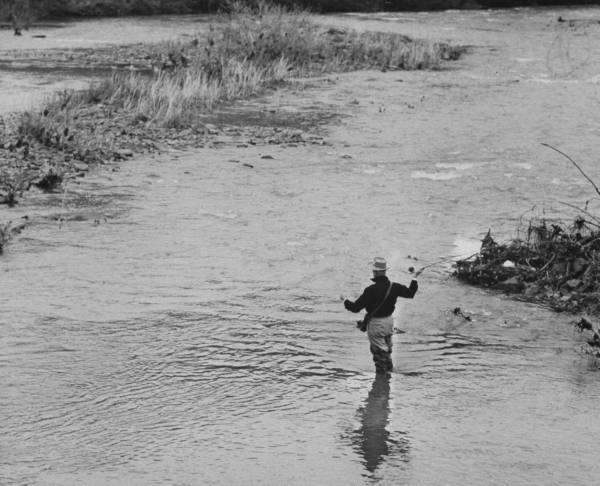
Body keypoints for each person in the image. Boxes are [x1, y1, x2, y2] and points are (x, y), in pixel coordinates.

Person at [343, 257, 418, 373]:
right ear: (384, 271)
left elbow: (355, 308)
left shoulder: (370, 290)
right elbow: (410, 293)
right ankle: (388, 376)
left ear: (376, 272)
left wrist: (344, 300)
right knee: (387, 353)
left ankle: (383, 380)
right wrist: (415, 277)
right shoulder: (394, 286)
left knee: (379, 356)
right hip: (389, 323)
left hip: (376, 325)